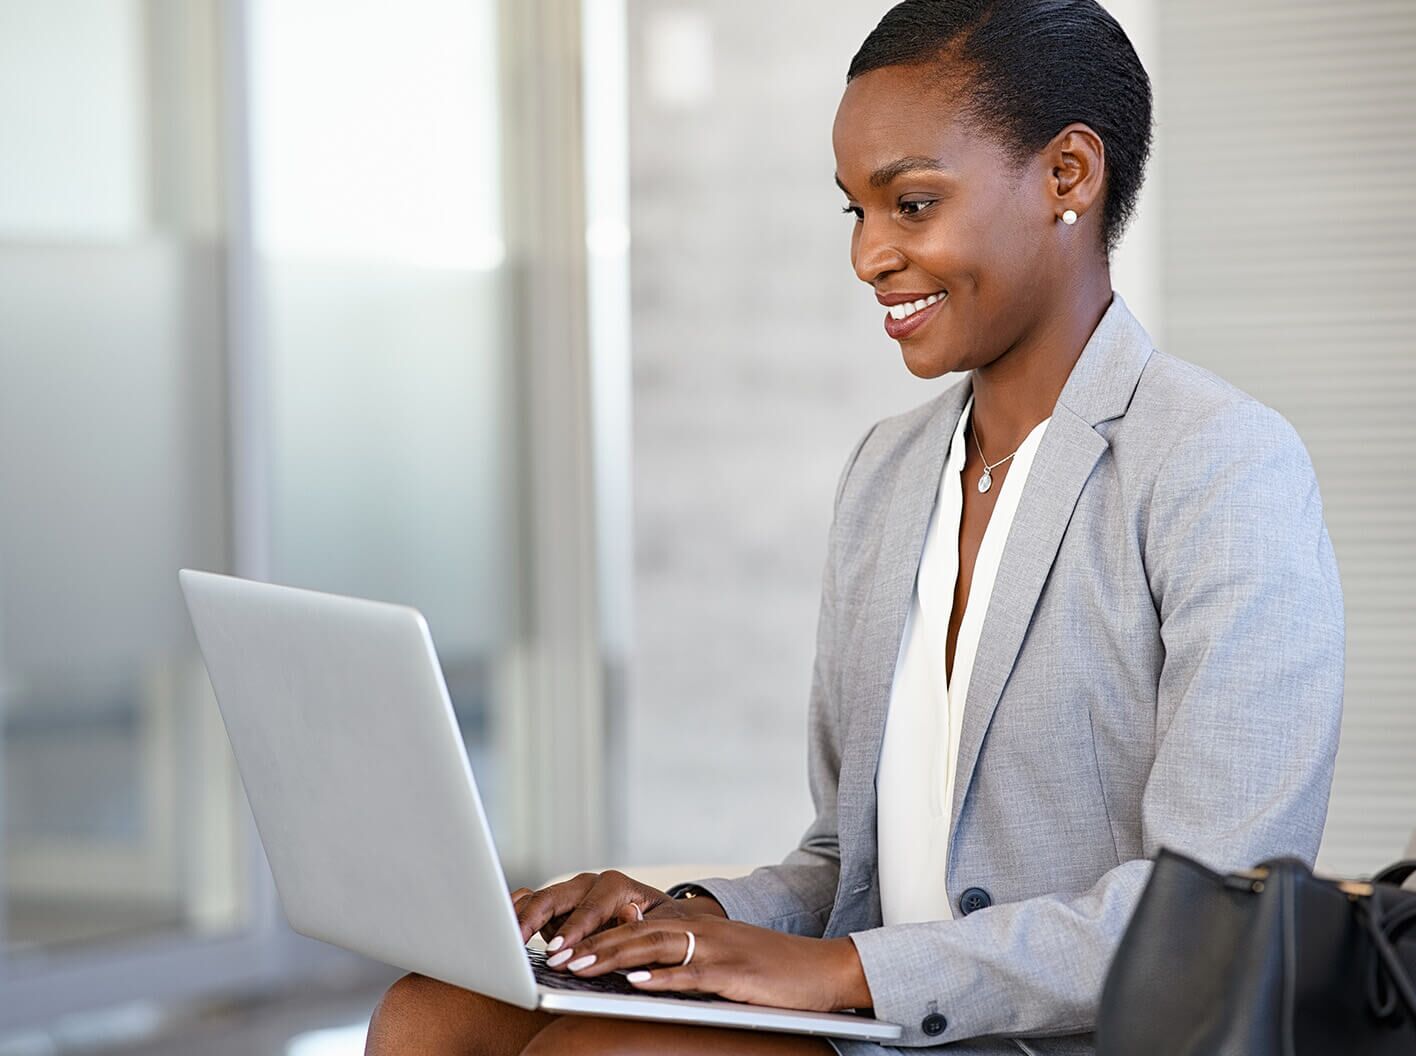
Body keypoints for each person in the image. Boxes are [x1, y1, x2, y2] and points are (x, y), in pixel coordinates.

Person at [364, 1, 1345, 1053]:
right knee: (435, 1008)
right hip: (887, 1024)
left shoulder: (1220, 465)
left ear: (1068, 175)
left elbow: (1215, 915)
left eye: (912, 203)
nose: (871, 255)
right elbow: (848, 859)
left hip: (1049, 1035)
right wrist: (690, 915)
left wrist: (841, 970)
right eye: (856, 213)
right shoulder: (890, 470)